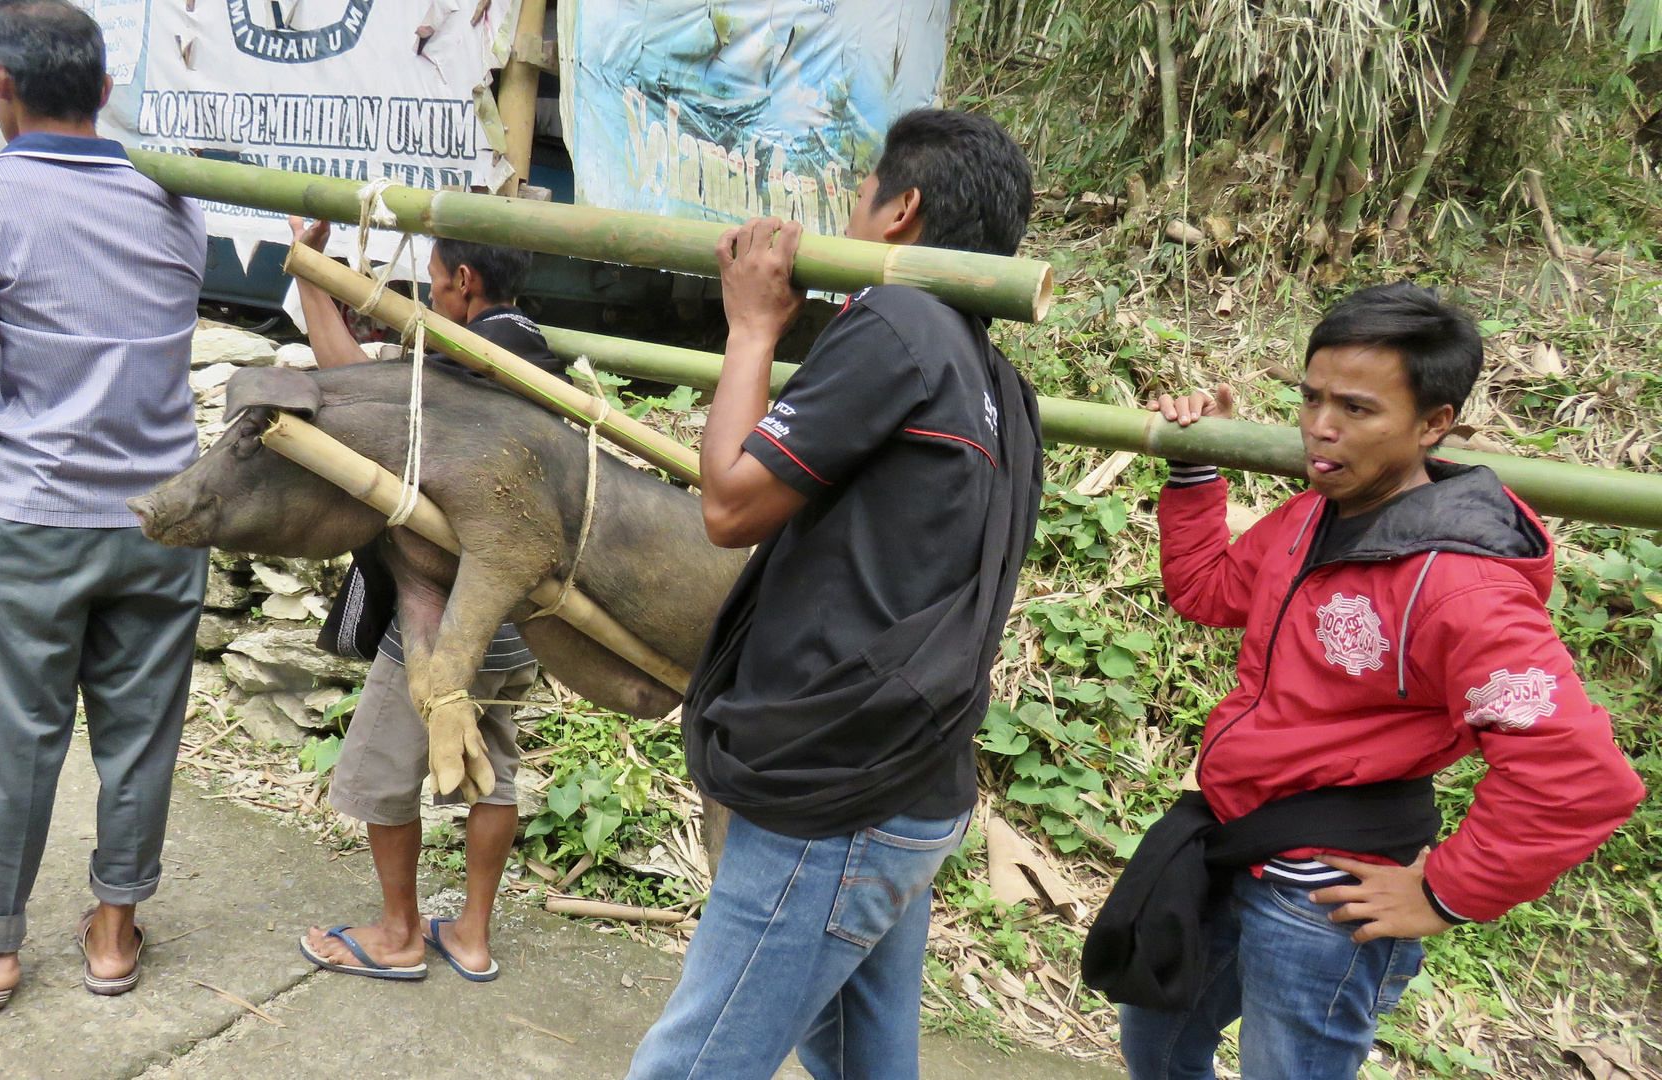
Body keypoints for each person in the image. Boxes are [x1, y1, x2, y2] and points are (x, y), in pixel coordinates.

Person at [1083, 282, 1645, 1079]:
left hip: (1326, 895)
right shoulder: (1315, 515)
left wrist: (1447, 892)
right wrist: (1193, 472)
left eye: (1356, 409)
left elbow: (1580, 776)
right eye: (1309, 398)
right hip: (1235, 842)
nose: (1320, 428)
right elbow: (1207, 591)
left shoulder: (1461, 589)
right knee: (1157, 1041)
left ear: (1434, 423)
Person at [626, 109, 1043, 1080]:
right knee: (863, 1061)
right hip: (912, 785)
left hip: (836, 798)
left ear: (902, 210)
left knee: (690, 1067)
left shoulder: (898, 325)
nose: (846, 217)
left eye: (859, 197)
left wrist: (753, 326)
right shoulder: (996, 381)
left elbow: (730, 504)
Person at [0, 0, 209, 1013]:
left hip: (39, 518)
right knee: (142, 729)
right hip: (166, 517)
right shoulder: (174, 198)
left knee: (14, 733)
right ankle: (113, 933)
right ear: (103, 91)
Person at [287, 215, 563, 982]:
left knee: (380, 772)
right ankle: (470, 936)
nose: (430, 298)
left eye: (435, 282)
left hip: (445, 620)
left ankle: (399, 934)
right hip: (515, 620)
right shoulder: (532, 355)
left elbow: (347, 384)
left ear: (463, 282)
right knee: (496, 776)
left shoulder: (472, 358)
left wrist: (310, 271)